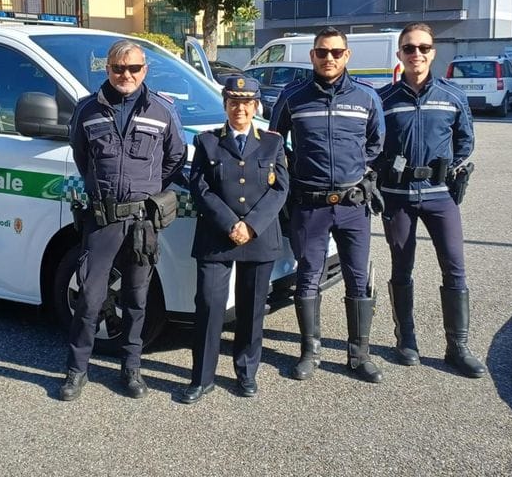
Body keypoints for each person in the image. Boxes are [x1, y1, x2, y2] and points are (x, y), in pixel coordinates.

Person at [61, 39, 187, 401]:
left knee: (136, 298)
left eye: (134, 68)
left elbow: (175, 159)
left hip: (141, 222)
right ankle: (76, 370)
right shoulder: (87, 110)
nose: (126, 75)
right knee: (89, 296)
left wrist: (145, 191)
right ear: (108, 69)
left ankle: (131, 369)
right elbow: (82, 157)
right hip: (102, 219)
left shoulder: (162, 110)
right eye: (119, 68)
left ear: (144, 70)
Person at [269, 26, 385, 383]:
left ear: (347, 56)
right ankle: (310, 351)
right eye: (322, 52)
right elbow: (276, 145)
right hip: (310, 203)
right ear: (312, 56)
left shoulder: (367, 98)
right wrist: (298, 170)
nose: (329, 58)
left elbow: (376, 144)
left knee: (357, 278)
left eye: (336, 52)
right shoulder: (293, 97)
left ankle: (358, 353)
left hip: (353, 204)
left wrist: (352, 170)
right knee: (308, 278)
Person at [376, 23, 486, 378]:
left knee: (454, 267)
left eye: (423, 47)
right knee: (401, 268)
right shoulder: (385, 100)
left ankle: (458, 346)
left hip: (440, 196)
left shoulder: (453, 96)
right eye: (409, 48)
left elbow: (465, 141)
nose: (416, 54)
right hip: (398, 197)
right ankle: (405, 338)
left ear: (433, 52)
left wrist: (447, 168)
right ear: (400, 55)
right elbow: (373, 145)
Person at [178, 77, 289, 404]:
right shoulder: (208, 142)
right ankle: (202, 378)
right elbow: (200, 189)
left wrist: (251, 225)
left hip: (259, 236)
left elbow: (280, 189)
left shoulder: (273, 143)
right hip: (217, 235)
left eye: (246, 103)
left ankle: (246, 372)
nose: (240, 108)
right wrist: (230, 224)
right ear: (225, 105)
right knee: (210, 307)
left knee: (252, 308)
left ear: (256, 106)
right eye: (233, 102)